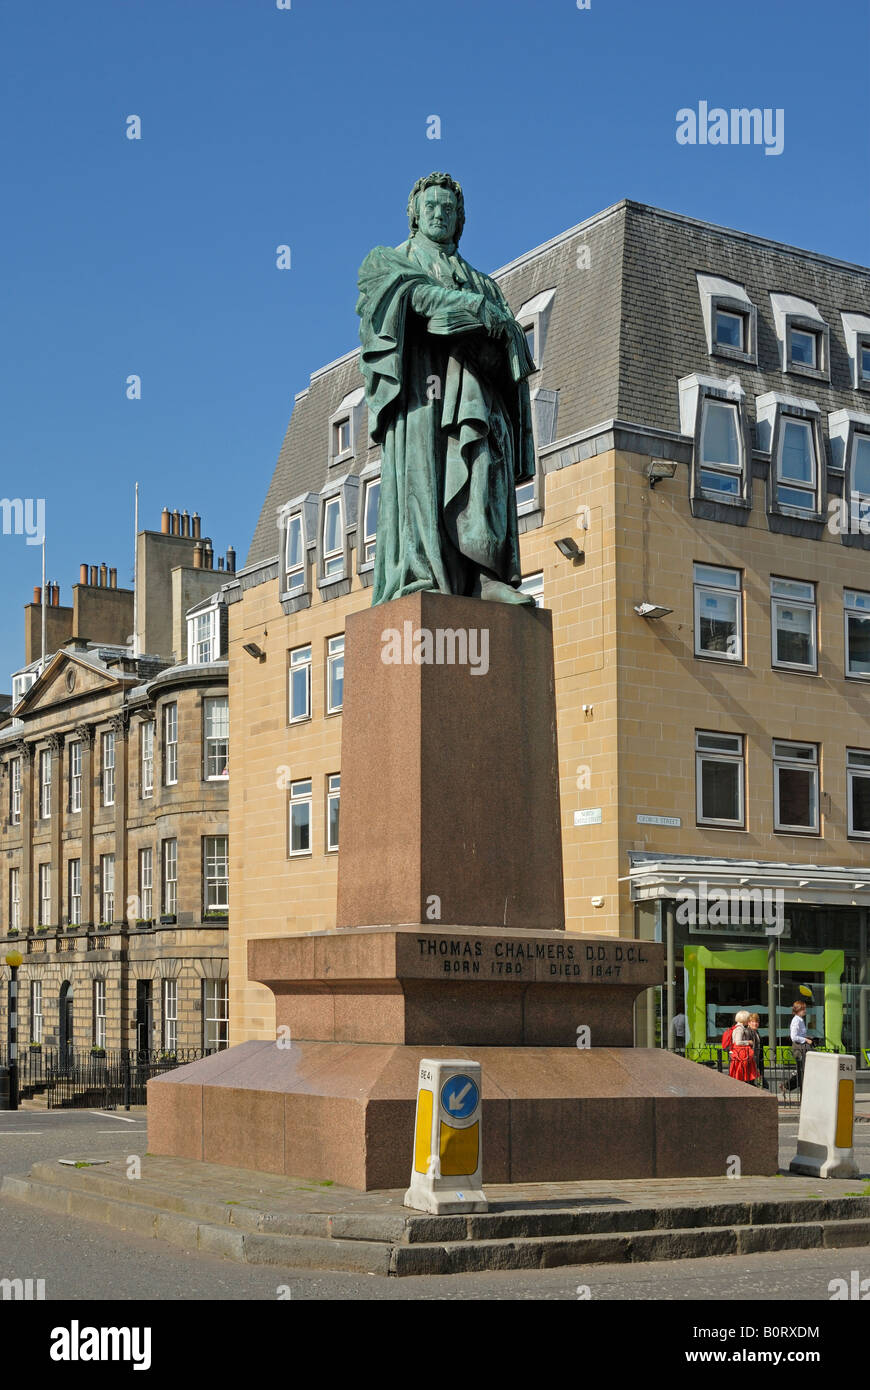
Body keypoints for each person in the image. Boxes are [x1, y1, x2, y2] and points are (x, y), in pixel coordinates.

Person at [357, 172, 537, 607]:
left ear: (460, 220)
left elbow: (513, 346)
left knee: (482, 466)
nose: (440, 214)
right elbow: (419, 300)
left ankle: (485, 575)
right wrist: (473, 310)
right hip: (422, 398)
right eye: (431, 207)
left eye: (449, 209)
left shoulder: (483, 282)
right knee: (425, 481)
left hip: (476, 397)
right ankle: (422, 577)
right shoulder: (389, 262)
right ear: (414, 215)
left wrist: (497, 330)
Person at [789, 999, 815, 1092]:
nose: (805, 1010)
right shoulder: (796, 1020)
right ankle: (791, 1086)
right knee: (803, 1069)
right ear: (798, 1010)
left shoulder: (800, 1020)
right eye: (803, 1009)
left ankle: (788, 1085)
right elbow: (794, 1037)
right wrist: (806, 1039)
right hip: (799, 1047)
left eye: (805, 1008)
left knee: (803, 1069)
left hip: (802, 1047)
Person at [727, 1009, 758, 1084]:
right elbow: (737, 1042)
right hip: (739, 1055)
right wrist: (748, 1042)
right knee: (741, 1075)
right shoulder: (739, 1029)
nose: (748, 1020)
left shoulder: (737, 1027)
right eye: (747, 1018)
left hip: (738, 1054)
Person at [746, 1012, 765, 1088]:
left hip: (756, 1060)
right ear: (749, 1023)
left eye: (757, 1022)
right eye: (753, 1022)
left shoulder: (756, 1032)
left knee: (754, 1081)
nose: (755, 1024)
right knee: (749, 1081)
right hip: (750, 1060)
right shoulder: (748, 1032)